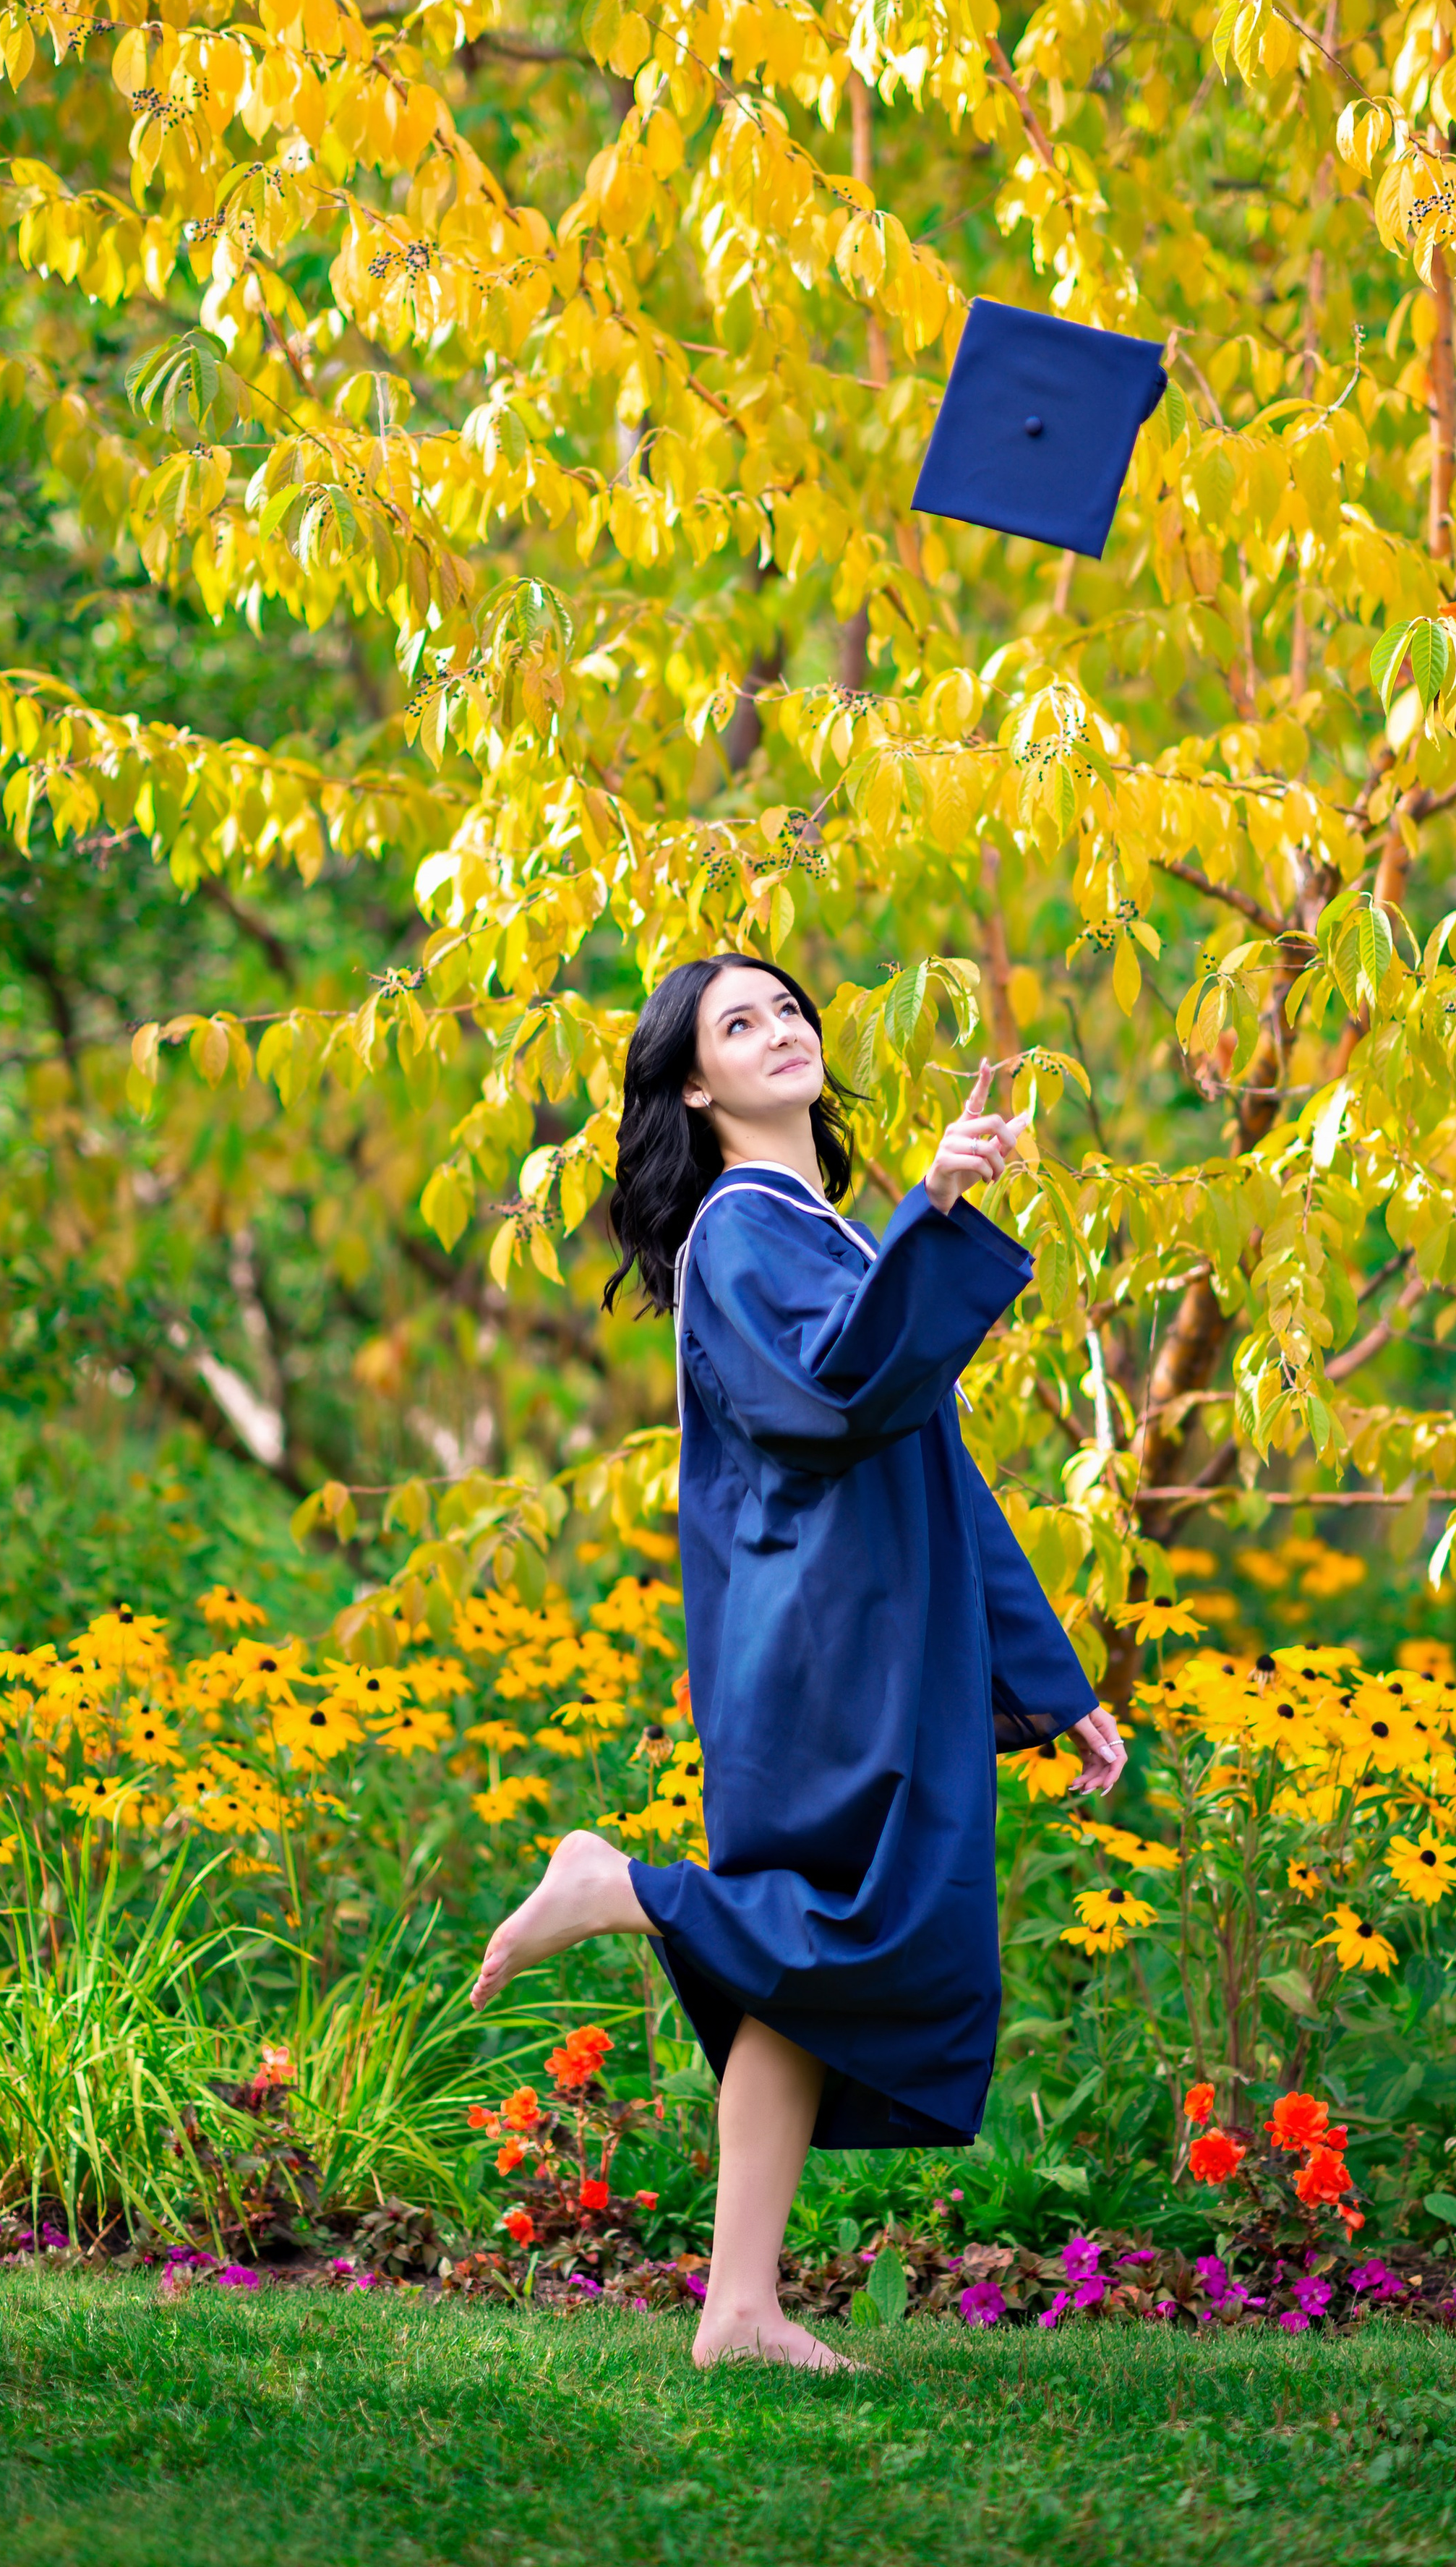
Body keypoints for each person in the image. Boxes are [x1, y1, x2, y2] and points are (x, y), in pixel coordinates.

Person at [470, 954, 1125, 2369]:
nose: (780, 1031)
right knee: (859, 1921)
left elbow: (933, 1470)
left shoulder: (811, 1228)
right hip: (827, 1645)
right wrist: (932, 1208)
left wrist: (1046, 1676)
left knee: (804, 1956)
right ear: (694, 1085)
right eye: (738, 1022)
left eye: (787, 1007)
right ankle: (620, 1887)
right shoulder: (744, 1226)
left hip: (870, 1626)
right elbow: (829, 1396)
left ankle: (740, 2305)